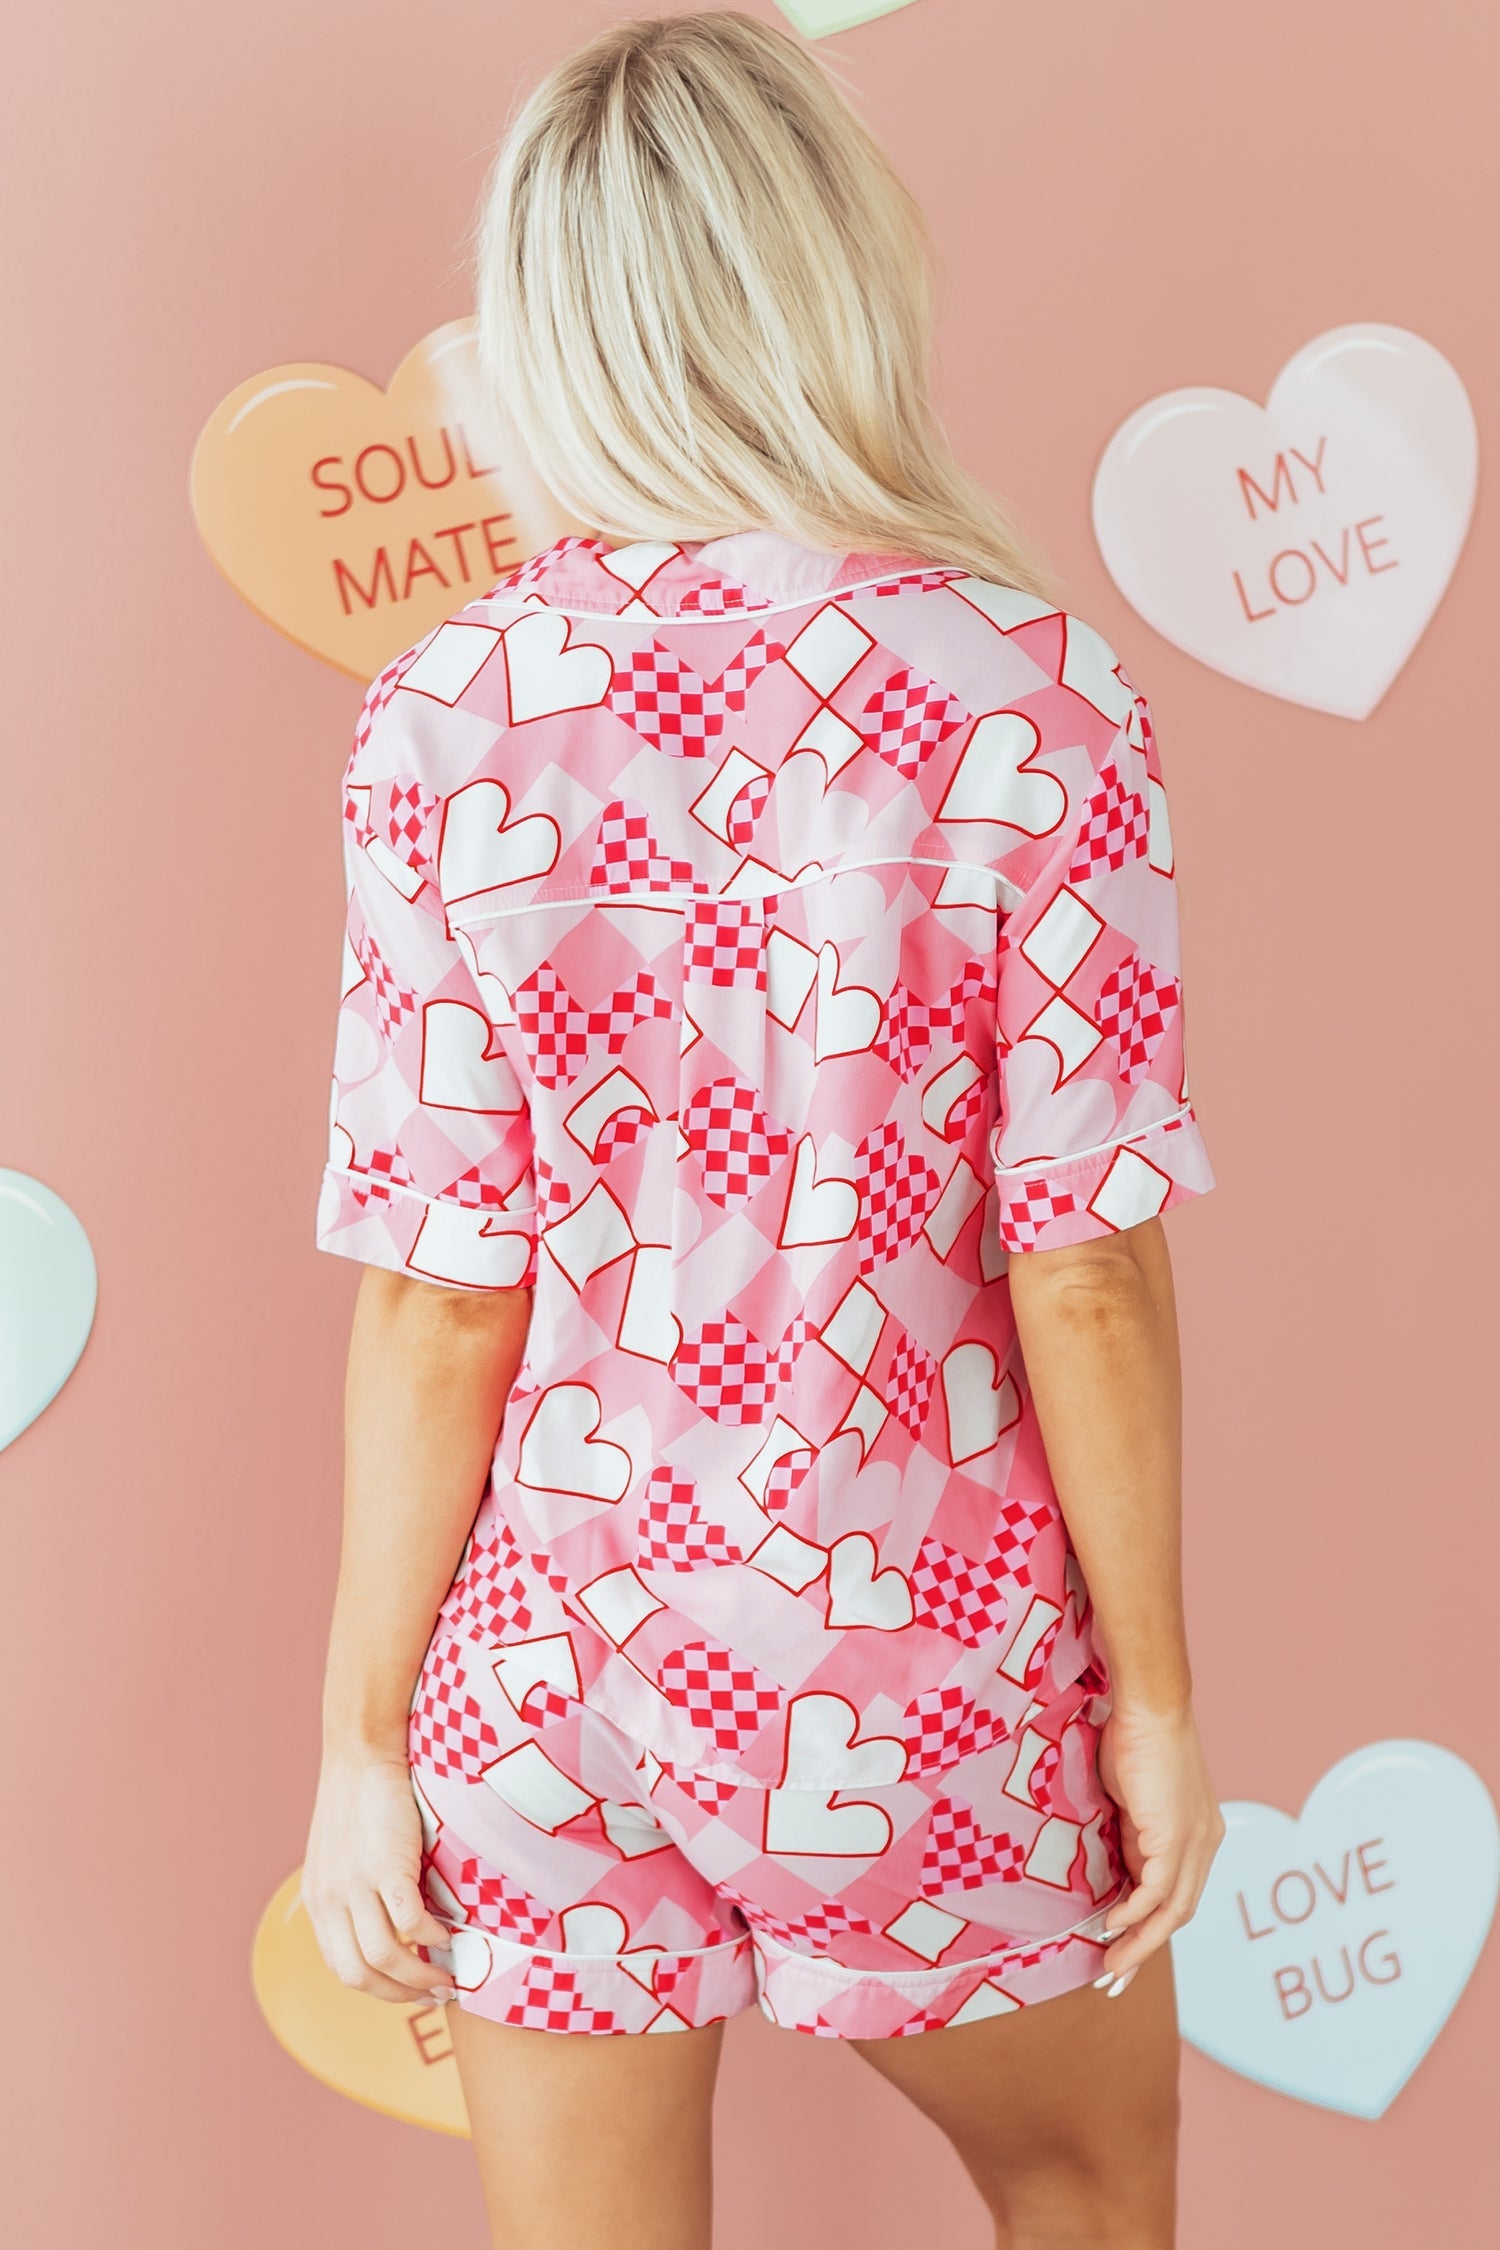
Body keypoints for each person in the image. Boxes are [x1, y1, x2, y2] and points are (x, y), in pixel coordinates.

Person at [300, 14, 1224, 2247]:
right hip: (917, 1651)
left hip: (552, 1669)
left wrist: (359, 1743)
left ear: (545, 321)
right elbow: (1086, 1263)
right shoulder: (1030, 691)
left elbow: (441, 1291)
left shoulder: (445, 714)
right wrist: (1159, 1701)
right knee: (1088, 2180)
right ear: (839, 275)